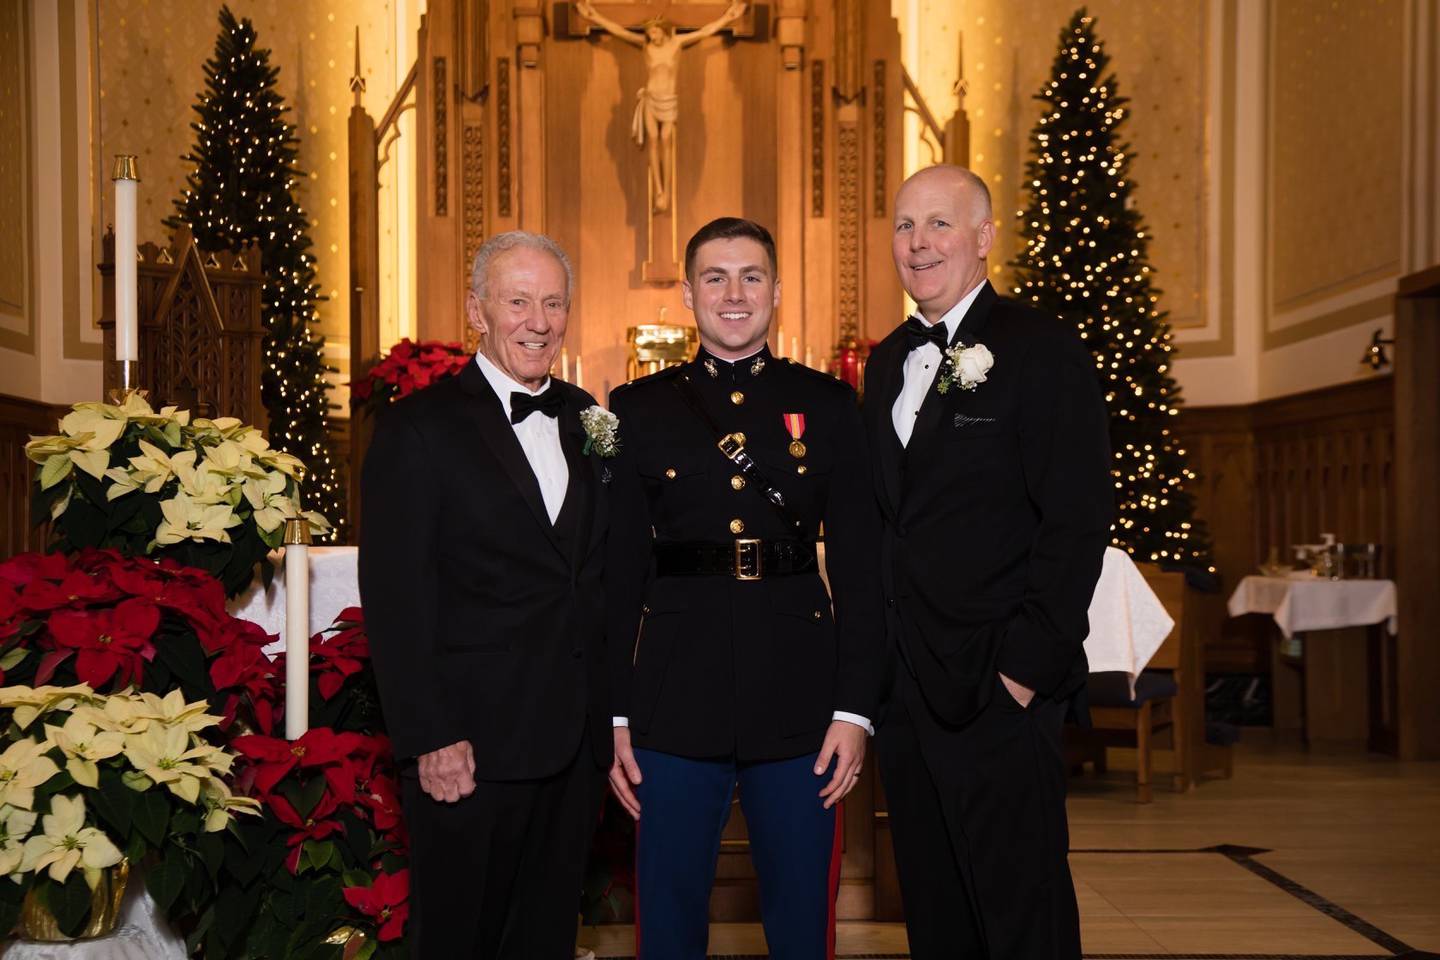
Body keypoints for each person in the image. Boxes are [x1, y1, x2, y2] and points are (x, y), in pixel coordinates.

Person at [604, 217, 884, 959]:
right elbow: (614, 578)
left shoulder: (825, 406)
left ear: (777, 293)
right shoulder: (639, 409)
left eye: (751, 276)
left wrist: (854, 709)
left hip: (800, 698)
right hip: (672, 699)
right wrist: (616, 717)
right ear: (690, 295)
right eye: (716, 278)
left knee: (801, 921)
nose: (735, 294)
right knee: (666, 915)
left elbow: (861, 569)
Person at [863, 164, 1113, 960]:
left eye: (940, 224)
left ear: (983, 239)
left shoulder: (1041, 347)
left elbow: (1076, 519)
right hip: (909, 692)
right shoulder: (886, 361)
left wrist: (1023, 669)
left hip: (995, 685)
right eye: (905, 225)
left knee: (1021, 915)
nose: (918, 242)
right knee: (936, 914)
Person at [358, 231, 611, 958]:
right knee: (460, 940)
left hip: (571, 745)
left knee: (545, 938)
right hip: (469, 748)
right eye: (518, 301)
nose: (539, 321)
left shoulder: (590, 418)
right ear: (478, 309)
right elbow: (396, 597)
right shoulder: (419, 429)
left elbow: (598, 571)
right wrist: (430, 735)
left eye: (554, 303)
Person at [574, 0, 747, 213]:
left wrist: (729, 16)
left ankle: (666, 190)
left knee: (666, 139)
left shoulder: (676, 44)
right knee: (653, 140)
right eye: (651, 34)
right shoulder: (646, 46)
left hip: (668, 101)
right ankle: (659, 191)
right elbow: (619, 31)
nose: (653, 37)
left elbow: (705, 31)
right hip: (651, 99)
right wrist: (594, 16)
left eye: (656, 33)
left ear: (663, 31)